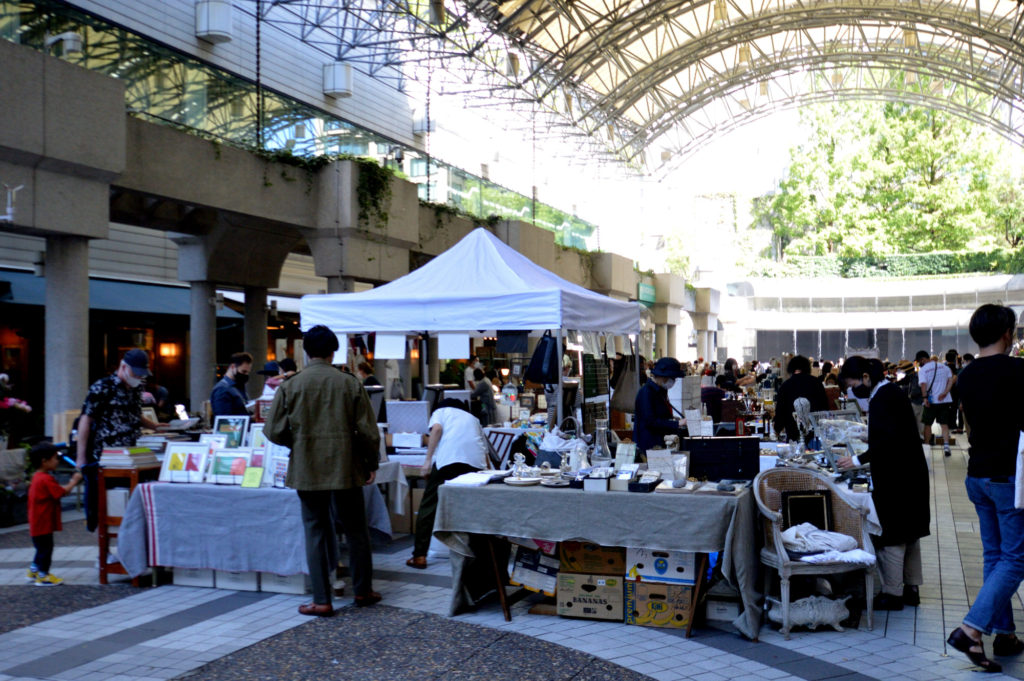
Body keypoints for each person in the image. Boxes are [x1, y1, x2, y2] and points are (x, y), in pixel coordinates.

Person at [264, 325, 381, 615]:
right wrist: (370, 463)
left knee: (315, 529)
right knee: (356, 529)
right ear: (333, 352)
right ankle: (363, 591)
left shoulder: (291, 385)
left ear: (306, 352)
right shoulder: (349, 383)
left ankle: (321, 599)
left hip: (308, 466)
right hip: (346, 466)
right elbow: (368, 431)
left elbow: (273, 429)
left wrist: (299, 443)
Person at [946, 304, 1024, 673]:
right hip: (1008, 477)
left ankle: (1005, 634)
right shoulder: (1018, 370)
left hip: (976, 474)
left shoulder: (965, 375)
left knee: (995, 556)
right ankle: (971, 629)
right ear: (1007, 333)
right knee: (1016, 559)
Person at [837, 357, 930, 612]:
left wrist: (856, 460)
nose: (853, 390)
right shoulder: (892, 392)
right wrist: (868, 435)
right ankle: (911, 588)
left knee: (892, 535)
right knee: (910, 533)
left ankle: (892, 593)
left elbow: (887, 442)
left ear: (866, 377)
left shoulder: (881, 398)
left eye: (853, 384)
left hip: (896, 476)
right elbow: (895, 432)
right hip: (912, 472)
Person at [75, 349, 164, 531]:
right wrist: (81, 456)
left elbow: (135, 414)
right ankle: (104, 530)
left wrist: (155, 426)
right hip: (107, 454)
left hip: (131, 451)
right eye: (135, 373)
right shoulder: (102, 387)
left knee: (131, 496)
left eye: (141, 374)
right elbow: (86, 420)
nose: (138, 377)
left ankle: (129, 530)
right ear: (123, 367)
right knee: (105, 499)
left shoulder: (136, 388)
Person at [406, 398, 489, 569]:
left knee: (429, 505)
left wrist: (427, 461)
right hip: (475, 464)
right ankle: (477, 554)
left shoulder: (441, 411)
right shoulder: (473, 419)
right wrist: (487, 473)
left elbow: (436, 429)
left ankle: (419, 555)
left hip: (449, 461)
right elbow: (483, 449)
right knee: (472, 507)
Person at [28, 442, 83, 586]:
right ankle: (43, 575)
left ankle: (34, 570)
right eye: (54, 458)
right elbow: (61, 492)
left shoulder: (37, 477)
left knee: (41, 548)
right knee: (46, 549)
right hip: (43, 522)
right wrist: (74, 481)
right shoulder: (46, 479)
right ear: (44, 461)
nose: (57, 461)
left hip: (37, 521)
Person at [633, 357, 685, 455]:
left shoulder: (660, 390)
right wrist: (677, 423)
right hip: (650, 446)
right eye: (673, 378)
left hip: (659, 443)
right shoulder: (646, 392)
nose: (673, 381)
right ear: (664, 377)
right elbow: (650, 421)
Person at [773, 355, 829, 443]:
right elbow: (825, 408)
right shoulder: (817, 383)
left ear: (790, 368)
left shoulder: (785, 385)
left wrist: (777, 428)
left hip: (793, 433)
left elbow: (780, 411)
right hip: (815, 434)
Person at [918, 349, 955, 456]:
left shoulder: (923, 370)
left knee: (927, 424)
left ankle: (926, 446)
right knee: (944, 424)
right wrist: (945, 392)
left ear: (923, 359)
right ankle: (946, 446)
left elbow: (923, 384)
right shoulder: (944, 367)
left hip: (931, 401)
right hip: (944, 401)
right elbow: (951, 380)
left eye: (919, 361)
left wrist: (924, 398)